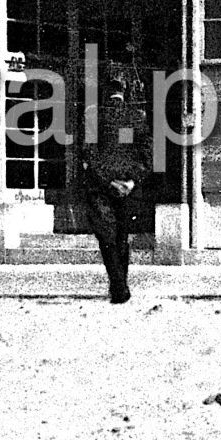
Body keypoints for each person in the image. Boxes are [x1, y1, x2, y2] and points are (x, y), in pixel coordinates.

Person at [81, 81, 151, 303]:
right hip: (128, 189)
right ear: (124, 94)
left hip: (102, 188)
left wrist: (108, 181)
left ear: (105, 95)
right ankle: (121, 285)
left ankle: (118, 285)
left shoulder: (94, 117)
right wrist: (131, 182)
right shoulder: (137, 117)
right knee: (122, 236)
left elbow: (89, 156)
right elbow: (147, 156)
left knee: (107, 237)